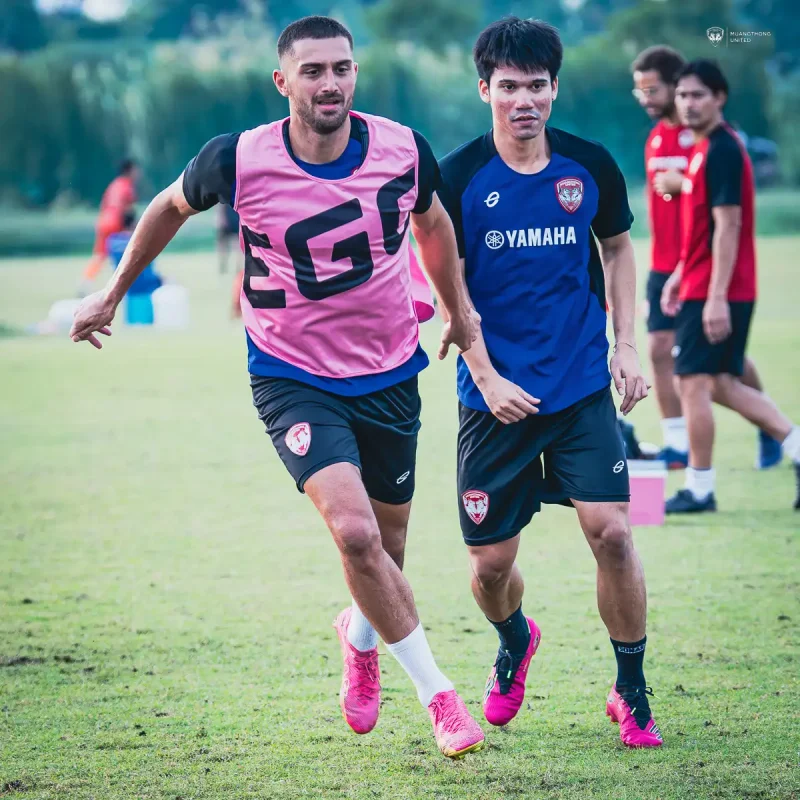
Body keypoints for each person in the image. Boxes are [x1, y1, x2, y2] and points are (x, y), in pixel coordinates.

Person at [69, 15, 486, 759]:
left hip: (390, 368)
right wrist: (111, 292)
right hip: (291, 373)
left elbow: (434, 225)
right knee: (354, 533)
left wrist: (455, 308)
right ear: (282, 80)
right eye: (313, 70)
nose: (330, 83)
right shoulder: (237, 159)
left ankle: (360, 636)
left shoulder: (403, 148)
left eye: (342, 68)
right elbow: (166, 208)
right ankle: (440, 698)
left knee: (387, 546)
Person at [438, 17, 662, 749]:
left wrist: (625, 347)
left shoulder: (589, 165)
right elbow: (449, 288)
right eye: (509, 87)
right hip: (493, 402)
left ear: (555, 89)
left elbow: (619, 250)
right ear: (485, 90)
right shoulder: (457, 177)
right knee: (490, 568)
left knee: (614, 534)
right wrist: (485, 376)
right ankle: (515, 639)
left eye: (536, 86)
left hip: (578, 390)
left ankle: (631, 690)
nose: (524, 100)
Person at [632, 47, 782, 471]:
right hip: (667, 264)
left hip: (702, 263)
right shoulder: (655, 137)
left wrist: (683, 184)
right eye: (639, 90)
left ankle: (770, 427)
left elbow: (722, 205)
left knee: (716, 365)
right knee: (660, 349)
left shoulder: (709, 139)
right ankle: (677, 445)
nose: (645, 98)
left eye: (653, 89)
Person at [661, 59, 800, 512]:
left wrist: (715, 296)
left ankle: (700, 489)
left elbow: (728, 226)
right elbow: (700, 228)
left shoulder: (722, 149)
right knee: (720, 383)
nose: (688, 103)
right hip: (701, 283)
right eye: (682, 95)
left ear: (719, 98)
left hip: (717, 290)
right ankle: (796, 446)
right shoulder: (703, 149)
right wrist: (680, 274)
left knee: (692, 383)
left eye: (698, 95)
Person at [80, 159, 139, 293]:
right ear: (129, 171)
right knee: (129, 252)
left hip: (104, 221)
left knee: (100, 255)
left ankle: (85, 284)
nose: (138, 173)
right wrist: (134, 227)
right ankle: (124, 285)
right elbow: (127, 211)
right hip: (116, 223)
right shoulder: (127, 186)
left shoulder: (114, 185)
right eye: (135, 170)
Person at [217, 203, 241, 274]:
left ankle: (237, 268)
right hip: (228, 219)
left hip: (235, 219)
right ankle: (223, 266)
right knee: (223, 245)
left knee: (238, 245)